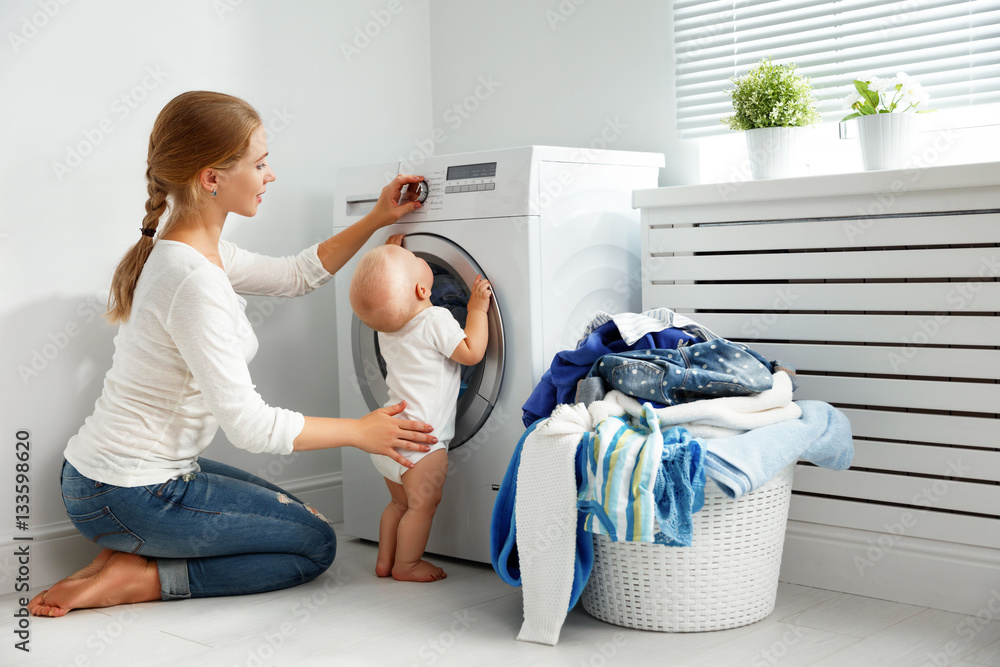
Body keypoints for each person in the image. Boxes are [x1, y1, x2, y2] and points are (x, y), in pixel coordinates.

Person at [28, 91, 437, 617]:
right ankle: (142, 577)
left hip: (114, 482)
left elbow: (296, 275)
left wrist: (378, 217)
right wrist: (362, 432)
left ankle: (131, 554)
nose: (271, 175)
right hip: (128, 493)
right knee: (314, 545)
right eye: (260, 164)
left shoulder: (191, 250)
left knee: (303, 518)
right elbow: (249, 426)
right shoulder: (192, 278)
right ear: (211, 178)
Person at [349, 237, 491, 581]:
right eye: (413, 258)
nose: (415, 256)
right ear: (423, 291)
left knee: (398, 505)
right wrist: (475, 310)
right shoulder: (436, 319)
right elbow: (471, 352)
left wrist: (390, 257)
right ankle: (407, 565)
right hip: (422, 444)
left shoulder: (387, 326)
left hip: (389, 437)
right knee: (422, 507)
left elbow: (389, 297)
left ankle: (384, 561)